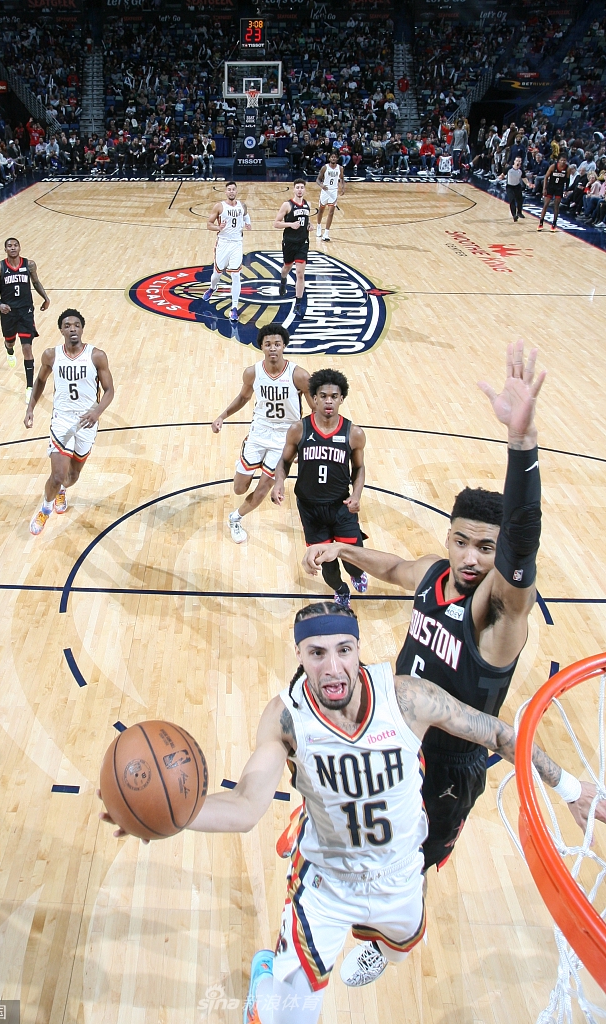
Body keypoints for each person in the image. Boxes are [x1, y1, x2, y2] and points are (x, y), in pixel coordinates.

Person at [99, 602, 606, 1024]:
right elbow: (246, 806)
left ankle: (377, 941)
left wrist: (569, 788)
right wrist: (171, 817)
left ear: (359, 649)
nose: (332, 667)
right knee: (288, 1018)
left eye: (344, 650)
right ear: (299, 655)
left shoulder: (406, 697)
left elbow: (496, 732)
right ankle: (265, 984)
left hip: (400, 874)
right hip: (327, 885)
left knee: (402, 947)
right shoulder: (285, 718)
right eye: (316, 653)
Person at [301, 341, 545, 977]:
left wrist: (522, 446)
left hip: (450, 762)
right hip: (396, 734)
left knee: (410, 862)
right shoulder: (436, 573)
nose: (470, 557)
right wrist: (340, 549)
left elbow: (522, 547)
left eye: (485, 548)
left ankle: (391, 942)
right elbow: (391, 566)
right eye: (461, 541)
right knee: (369, 840)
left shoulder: (498, 613)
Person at [271, 369, 367, 608]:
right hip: (310, 509)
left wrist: (356, 495)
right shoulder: (299, 429)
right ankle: (341, 589)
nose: (328, 401)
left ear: (342, 398)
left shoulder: (354, 433)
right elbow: (284, 461)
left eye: (334, 396)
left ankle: (356, 574)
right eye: (323, 396)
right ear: (314, 398)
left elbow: (358, 468)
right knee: (328, 566)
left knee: (354, 560)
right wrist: (279, 481)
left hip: (341, 506)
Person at [212, 324, 311, 543]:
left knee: (264, 487)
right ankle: (246, 459)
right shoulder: (252, 372)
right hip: (259, 432)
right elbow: (243, 398)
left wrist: (303, 444)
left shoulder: (300, 375)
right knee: (239, 488)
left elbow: (315, 411)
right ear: (262, 347)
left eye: (277, 344)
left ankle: (235, 518)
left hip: (284, 438)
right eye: (268, 344)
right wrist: (222, 416)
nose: (273, 348)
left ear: (284, 346)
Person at [24, 308, 114, 536]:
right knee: (57, 475)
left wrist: (97, 412)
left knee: (71, 477)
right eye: (67, 325)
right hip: (62, 420)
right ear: (61, 330)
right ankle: (45, 509)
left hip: (87, 421)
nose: (72, 328)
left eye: (76, 325)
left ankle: (62, 491)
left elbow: (109, 390)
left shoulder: (97, 356)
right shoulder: (51, 355)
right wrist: (30, 408)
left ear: (82, 329)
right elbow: (40, 381)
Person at [0, 237, 50, 403]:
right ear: (5, 250)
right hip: (8, 312)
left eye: (15, 245)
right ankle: (9, 350)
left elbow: (36, 282)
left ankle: (29, 388)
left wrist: (45, 298)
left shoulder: (29, 265)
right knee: (10, 342)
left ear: (20, 247)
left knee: (27, 348)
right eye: (9, 246)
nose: (13, 248)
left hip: (26, 311)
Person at [202, 181, 252, 323]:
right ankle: (212, 288)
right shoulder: (219, 206)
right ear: (225, 192)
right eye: (229, 189)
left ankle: (234, 308)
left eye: (233, 189)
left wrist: (248, 223)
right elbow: (209, 224)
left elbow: (246, 215)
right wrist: (218, 228)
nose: (231, 191)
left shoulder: (242, 205)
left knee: (236, 275)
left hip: (237, 243)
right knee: (217, 274)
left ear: (236, 191)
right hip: (223, 243)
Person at [273, 179, 310, 317]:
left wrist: (309, 226)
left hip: (303, 243)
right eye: (297, 187)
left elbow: (307, 221)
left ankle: (298, 304)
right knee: (286, 267)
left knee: (300, 273)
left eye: (302, 187)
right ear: (294, 189)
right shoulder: (287, 205)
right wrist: (290, 225)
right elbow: (276, 223)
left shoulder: (308, 204)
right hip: (289, 242)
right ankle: (283, 280)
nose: (300, 190)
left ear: (304, 190)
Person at [314, 150, 345, 242]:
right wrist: (321, 185)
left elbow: (342, 178)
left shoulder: (340, 168)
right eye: (332, 157)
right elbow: (318, 180)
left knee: (331, 212)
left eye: (335, 157)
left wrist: (342, 187)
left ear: (337, 158)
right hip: (325, 191)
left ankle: (326, 233)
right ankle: (319, 226)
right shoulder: (325, 167)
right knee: (321, 210)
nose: (333, 158)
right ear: (329, 158)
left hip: (334, 191)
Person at [538, 153, 569, 232]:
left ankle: (554, 224)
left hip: (559, 188)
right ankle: (541, 222)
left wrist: (566, 190)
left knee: (556, 206)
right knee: (546, 204)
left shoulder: (567, 169)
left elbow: (567, 180)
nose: (563, 162)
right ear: (558, 160)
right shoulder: (553, 166)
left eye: (564, 160)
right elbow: (546, 177)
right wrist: (544, 188)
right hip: (551, 186)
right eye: (561, 160)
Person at [497, 156, 529, 221]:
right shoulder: (509, 168)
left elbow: (524, 178)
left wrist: (528, 184)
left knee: (520, 200)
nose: (518, 162)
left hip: (517, 186)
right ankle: (514, 215)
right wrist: (500, 177)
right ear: (514, 161)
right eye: (517, 161)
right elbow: (503, 174)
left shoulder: (521, 170)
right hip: (510, 187)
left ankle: (519, 212)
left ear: (521, 162)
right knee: (512, 200)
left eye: (519, 161)